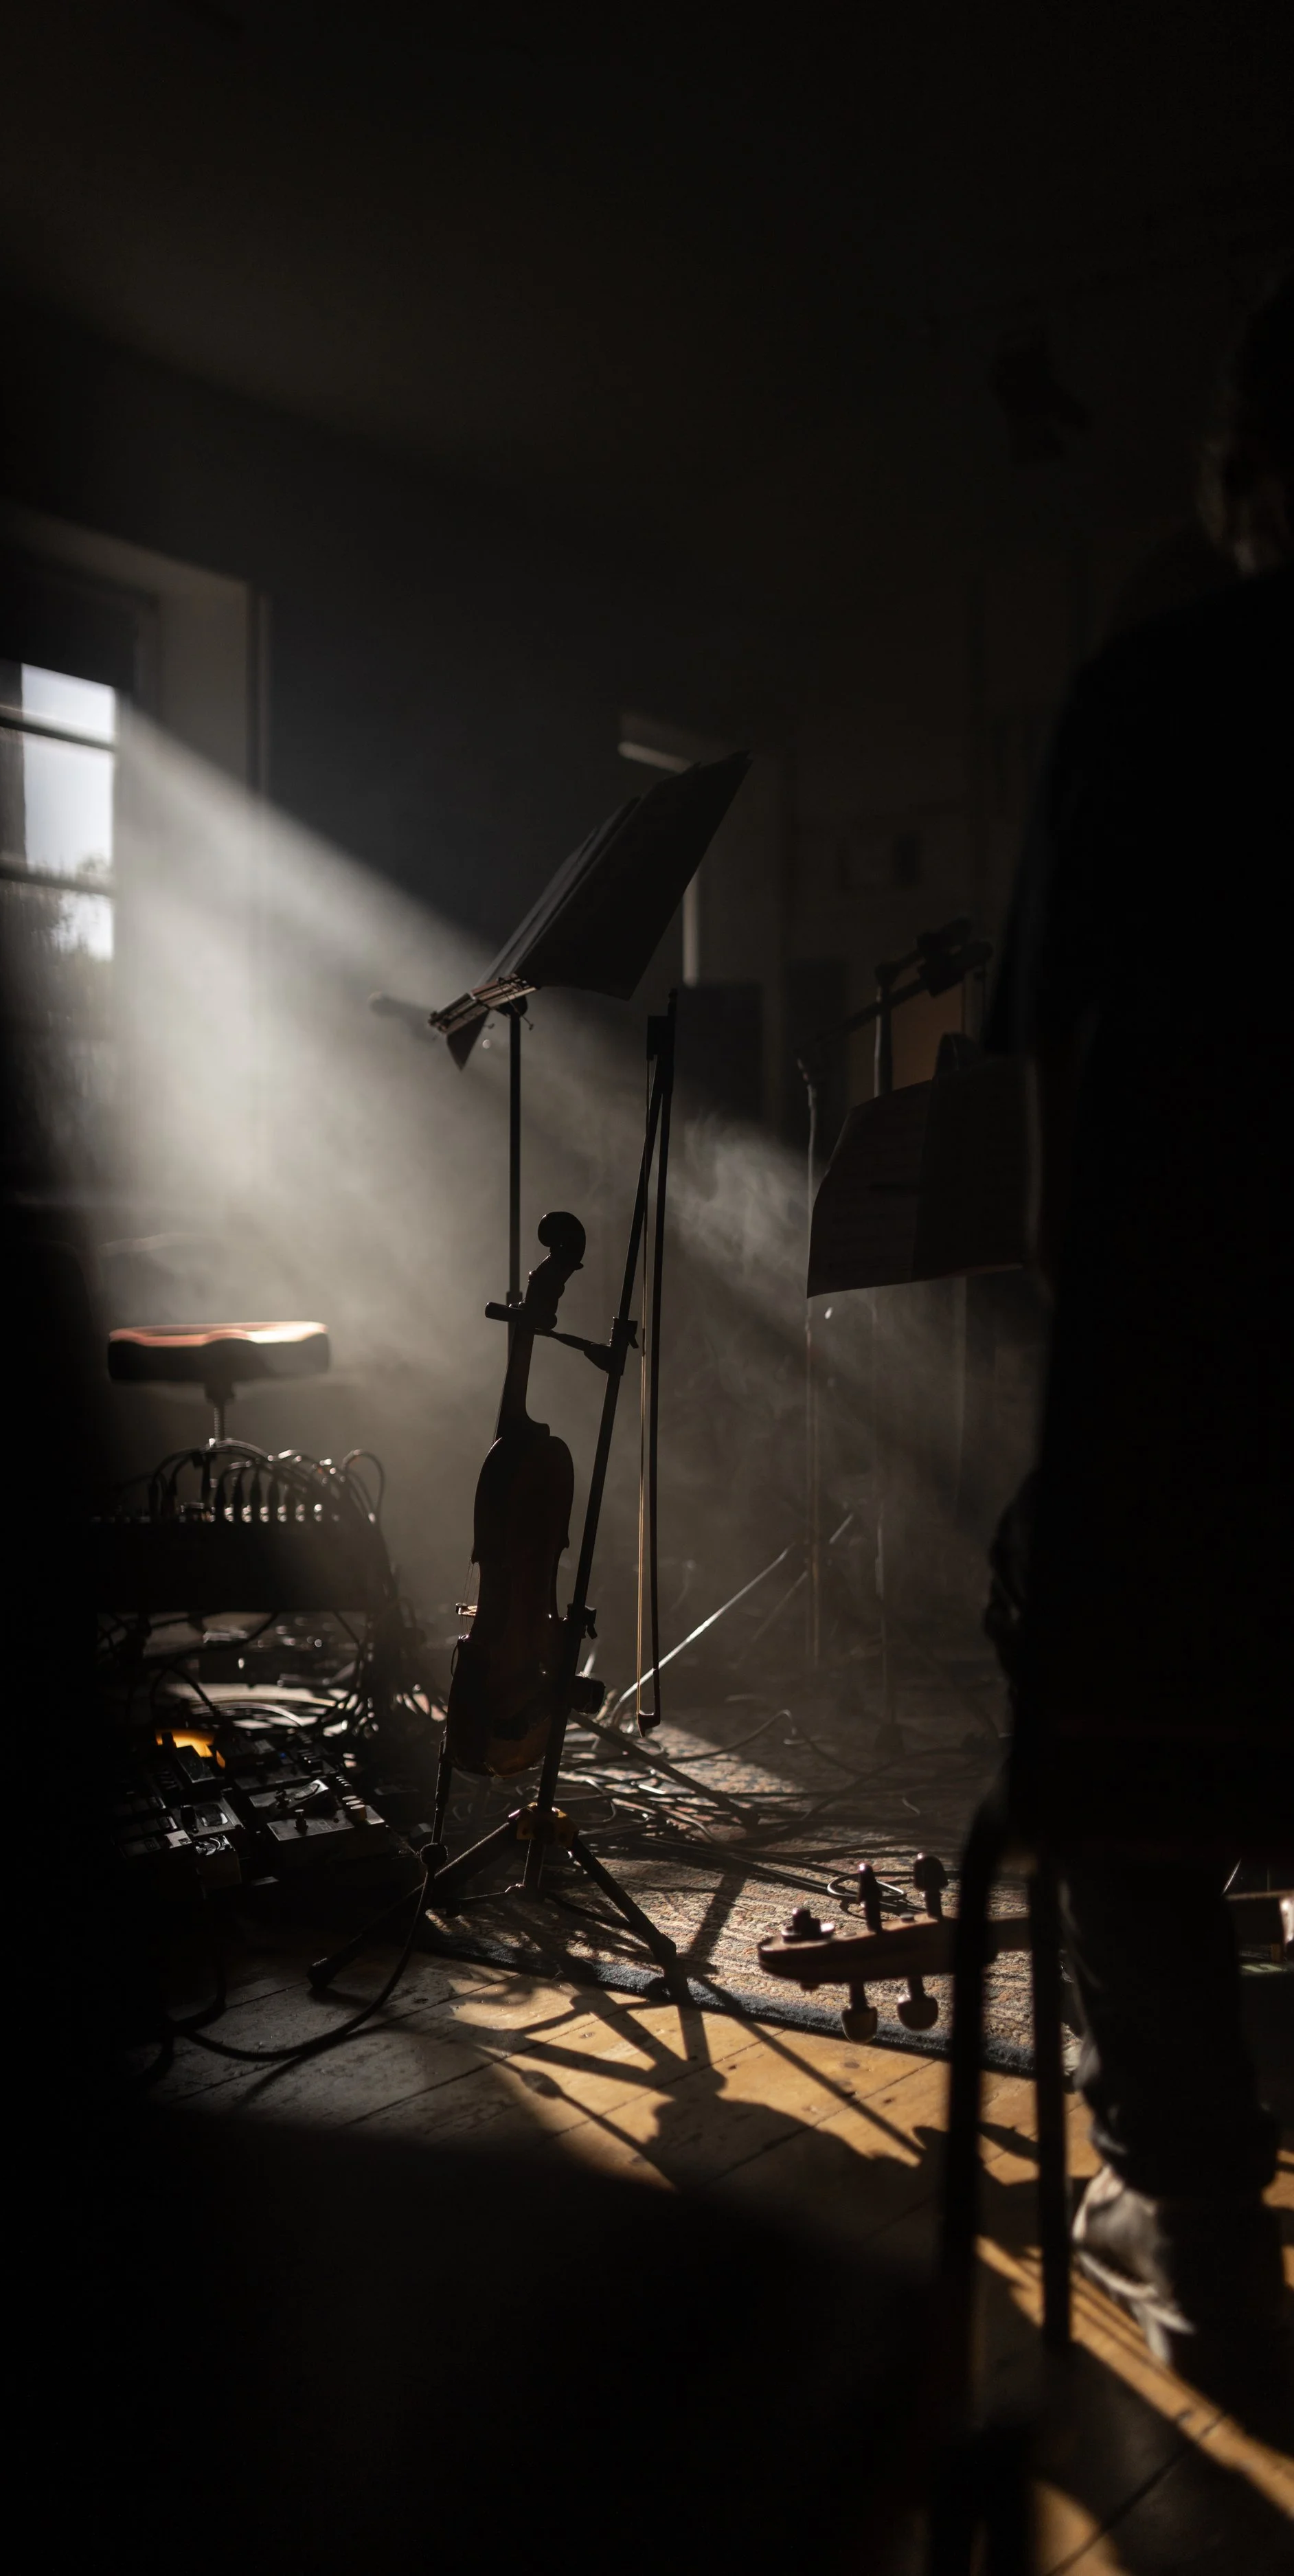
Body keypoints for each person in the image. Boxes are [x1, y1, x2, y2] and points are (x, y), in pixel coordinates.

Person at [985, 269, 1293, 2414]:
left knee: (1111, 1753)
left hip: (1191, 1368)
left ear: (1238, 474)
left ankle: (1195, 2236)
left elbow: (1046, 1085)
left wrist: (1072, 1379)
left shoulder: (1154, 691)